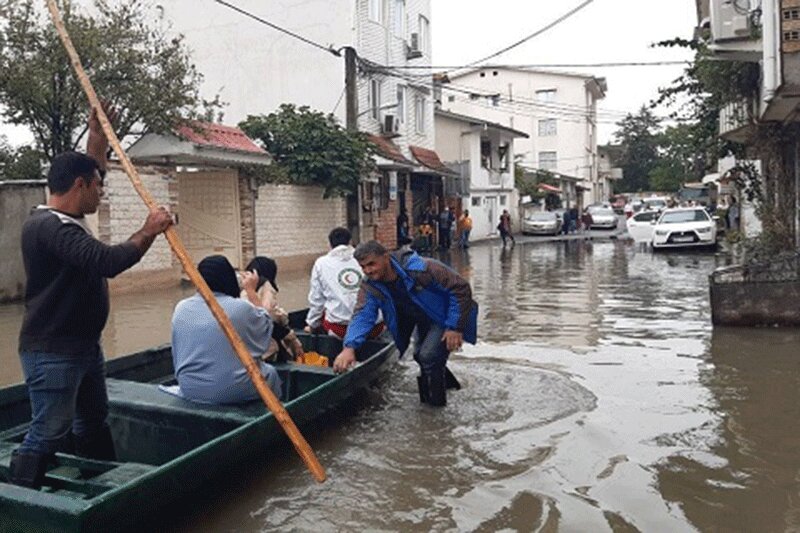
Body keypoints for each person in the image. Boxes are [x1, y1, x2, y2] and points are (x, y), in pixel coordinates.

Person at [10, 105, 174, 489]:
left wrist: (97, 135)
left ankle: (99, 490)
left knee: (92, 422)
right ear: (80, 186)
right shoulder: (47, 227)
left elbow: (93, 166)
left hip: (83, 346)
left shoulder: (68, 220)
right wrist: (149, 230)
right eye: (97, 186)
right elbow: (107, 261)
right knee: (48, 432)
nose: (101, 191)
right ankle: (20, 505)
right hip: (53, 350)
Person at [332, 241, 478, 407]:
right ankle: (447, 390)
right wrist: (349, 347)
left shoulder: (422, 268)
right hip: (420, 319)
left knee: (428, 355)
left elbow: (460, 288)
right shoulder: (371, 286)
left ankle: (435, 410)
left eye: (372, 264)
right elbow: (362, 315)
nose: (368, 271)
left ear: (386, 257)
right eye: (363, 266)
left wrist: (454, 327)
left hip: (442, 316)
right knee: (420, 356)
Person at [171, 255, 282, 405]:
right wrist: (251, 291)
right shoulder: (241, 308)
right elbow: (265, 326)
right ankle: (271, 419)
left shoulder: (181, 307)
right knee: (271, 373)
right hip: (231, 390)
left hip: (190, 388)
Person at [304, 227, 382, 339]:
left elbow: (317, 300)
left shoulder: (321, 263)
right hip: (374, 329)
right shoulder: (367, 259)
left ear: (330, 245)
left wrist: (312, 325)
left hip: (340, 331)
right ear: (350, 242)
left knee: (323, 311)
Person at [245, 256, 303, 361]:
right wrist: (291, 336)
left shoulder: (242, 286)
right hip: (262, 350)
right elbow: (265, 318)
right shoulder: (266, 287)